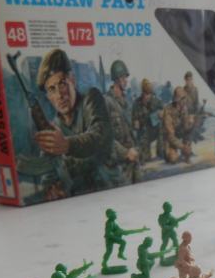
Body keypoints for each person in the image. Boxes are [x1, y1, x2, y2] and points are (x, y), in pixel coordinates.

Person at [33, 49, 118, 194]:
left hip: (108, 187)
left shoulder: (91, 99)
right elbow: (48, 170)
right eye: (52, 89)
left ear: (72, 80)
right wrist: (51, 188)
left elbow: (100, 136)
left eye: (62, 84)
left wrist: (67, 145)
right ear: (48, 97)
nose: (59, 95)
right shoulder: (54, 127)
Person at [104, 59, 140, 184]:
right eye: (123, 78)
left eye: (126, 77)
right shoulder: (106, 102)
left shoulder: (126, 101)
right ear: (116, 79)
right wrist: (125, 153)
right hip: (118, 163)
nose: (125, 81)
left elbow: (130, 129)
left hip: (133, 157)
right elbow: (106, 137)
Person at [131, 78, 164, 160]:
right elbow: (133, 120)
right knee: (145, 158)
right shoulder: (136, 104)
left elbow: (164, 110)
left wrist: (161, 113)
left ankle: (160, 151)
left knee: (162, 126)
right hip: (143, 133)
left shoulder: (156, 101)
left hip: (154, 130)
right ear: (142, 93)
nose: (148, 96)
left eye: (150, 94)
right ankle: (146, 153)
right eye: (146, 93)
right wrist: (135, 123)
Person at [161, 87, 194, 164]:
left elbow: (186, 128)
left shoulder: (184, 109)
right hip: (168, 139)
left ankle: (186, 153)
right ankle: (177, 151)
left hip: (178, 136)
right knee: (173, 159)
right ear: (177, 100)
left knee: (187, 136)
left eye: (185, 97)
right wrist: (183, 147)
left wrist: (191, 123)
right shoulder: (168, 110)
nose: (185, 100)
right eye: (183, 98)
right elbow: (170, 136)